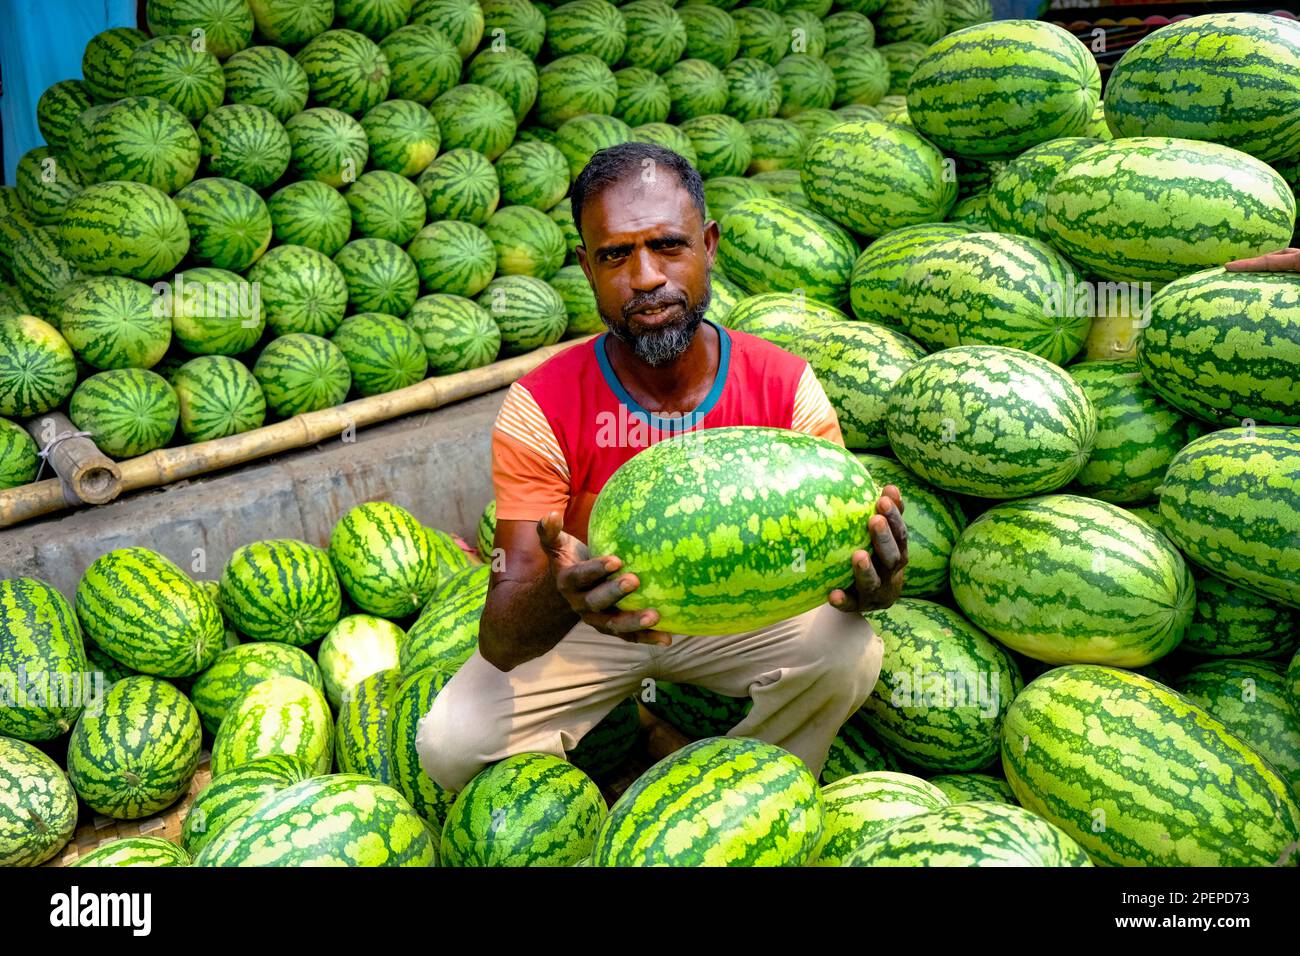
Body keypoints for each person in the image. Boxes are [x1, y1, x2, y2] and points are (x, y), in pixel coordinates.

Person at [416, 142, 908, 792]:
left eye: (669, 246)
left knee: (846, 652)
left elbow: (844, 559)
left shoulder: (783, 383)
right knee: (451, 744)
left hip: (738, 615)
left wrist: (878, 581)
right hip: (595, 622)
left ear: (708, 245)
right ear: (586, 269)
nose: (646, 277)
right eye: (616, 255)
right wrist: (564, 594)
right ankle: (618, 757)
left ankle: (736, 799)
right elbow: (504, 640)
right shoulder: (540, 405)